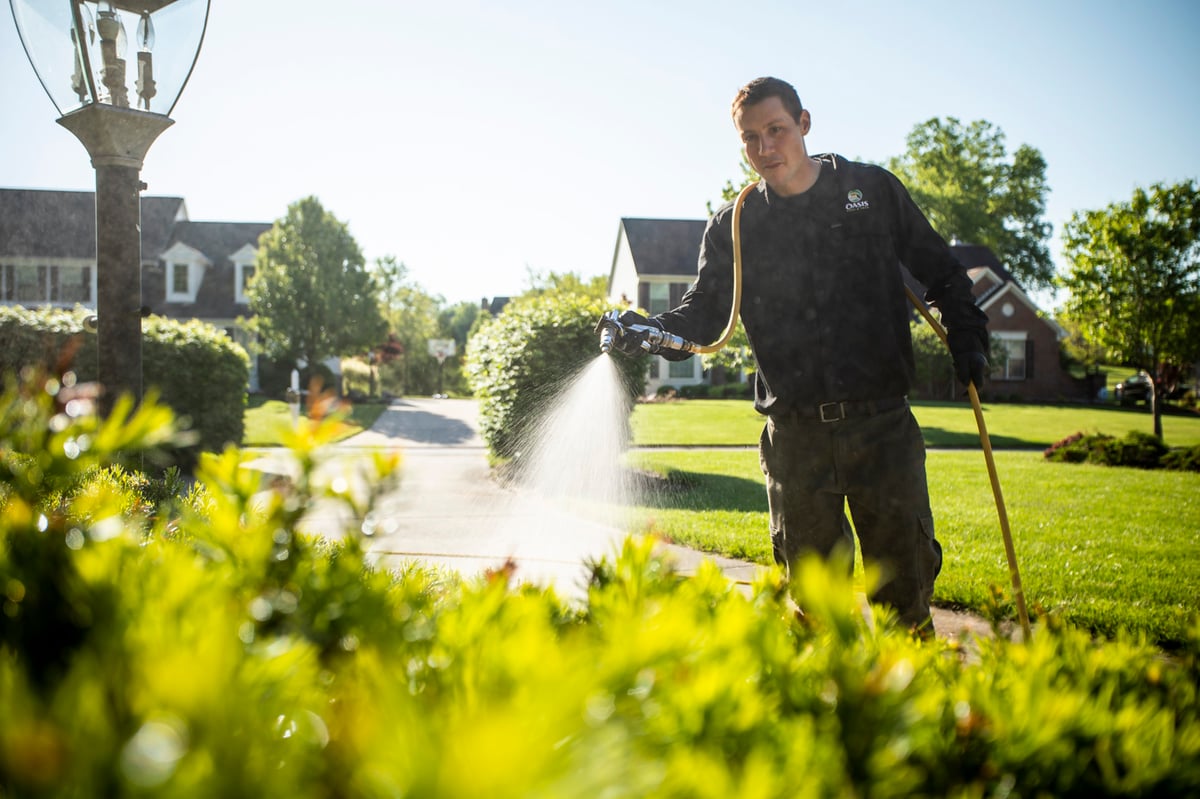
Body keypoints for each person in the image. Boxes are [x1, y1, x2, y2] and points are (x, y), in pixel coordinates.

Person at [606, 76, 989, 634]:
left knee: (902, 597)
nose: (765, 149)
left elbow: (943, 272)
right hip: (795, 440)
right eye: (750, 138)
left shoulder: (871, 193)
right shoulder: (736, 226)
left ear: (804, 124)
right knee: (816, 610)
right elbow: (705, 315)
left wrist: (969, 333)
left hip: (881, 427)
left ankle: (917, 710)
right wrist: (653, 329)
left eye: (776, 130)